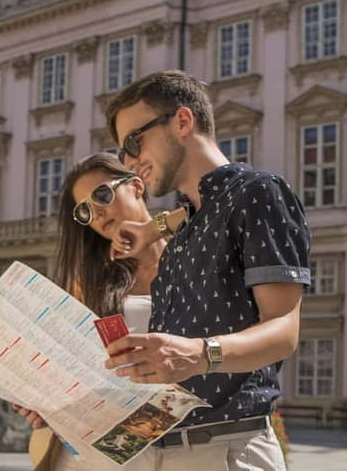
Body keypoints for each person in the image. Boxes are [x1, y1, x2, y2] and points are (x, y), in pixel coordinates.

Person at [103, 70, 311, 470]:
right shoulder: (189, 226)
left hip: (227, 449)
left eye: (133, 141)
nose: (128, 162)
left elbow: (284, 329)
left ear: (182, 121)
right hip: (158, 445)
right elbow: (192, 213)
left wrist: (200, 354)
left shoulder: (259, 192)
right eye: (122, 152)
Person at [15, 152, 185, 470]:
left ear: (136, 186)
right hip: (108, 445)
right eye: (84, 211)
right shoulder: (93, 282)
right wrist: (39, 402)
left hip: (187, 441)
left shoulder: (192, 254)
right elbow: (68, 365)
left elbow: (221, 210)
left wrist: (153, 230)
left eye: (102, 195)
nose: (97, 213)